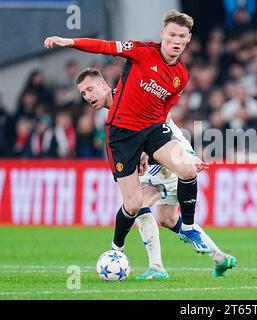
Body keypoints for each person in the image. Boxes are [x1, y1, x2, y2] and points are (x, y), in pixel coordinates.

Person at [44, 10, 210, 255]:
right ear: (162, 34)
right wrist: (70, 42)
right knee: (133, 205)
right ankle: (116, 248)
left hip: (153, 129)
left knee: (186, 168)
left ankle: (188, 226)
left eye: (181, 36)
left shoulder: (181, 76)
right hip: (122, 133)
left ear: (188, 39)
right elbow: (105, 46)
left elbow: (165, 110)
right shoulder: (141, 51)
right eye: (172, 34)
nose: (176, 40)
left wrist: (153, 149)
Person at [76, 68, 236, 278]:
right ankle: (220, 258)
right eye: (83, 93)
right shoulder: (113, 114)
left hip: (164, 159)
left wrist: (185, 153)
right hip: (158, 160)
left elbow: (163, 120)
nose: (88, 96)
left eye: (90, 89)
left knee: (139, 203)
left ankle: (156, 267)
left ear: (104, 85)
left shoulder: (129, 97)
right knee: (168, 219)